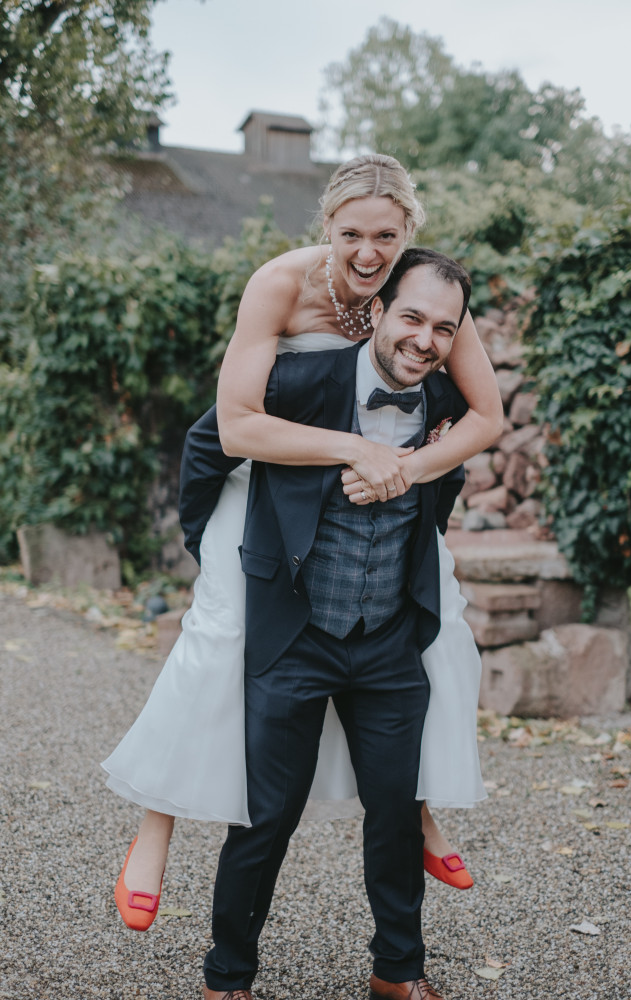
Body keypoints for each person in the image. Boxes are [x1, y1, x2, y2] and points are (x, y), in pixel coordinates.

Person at [103, 155, 504, 931]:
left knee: (438, 627)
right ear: (327, 226)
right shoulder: (281, 284)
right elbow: (236, 424)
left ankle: (416, 812)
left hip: (372, 495)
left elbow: (487, 416)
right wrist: (356, 450)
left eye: (386, 235)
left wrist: (405, 471)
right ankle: (155, 824)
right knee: (223, 635)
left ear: (408, 234)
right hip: (265, 483)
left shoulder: (417, 294)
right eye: (351, 232)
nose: (367, 252)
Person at [199, 247, 473, 999]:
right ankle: (227, 977)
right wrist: (218, 559)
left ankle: (399, 972)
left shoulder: (450, 405)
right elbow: (208, 444)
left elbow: (440, 502)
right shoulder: (293, 380)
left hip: (389, 642)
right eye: (412, 317)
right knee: (265, 819)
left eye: (442, 329)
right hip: (296, 634)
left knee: (395, 815)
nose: (424, 339)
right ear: (378, 310)